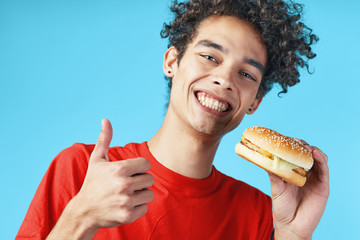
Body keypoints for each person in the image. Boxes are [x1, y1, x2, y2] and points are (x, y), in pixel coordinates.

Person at [17, 0, 330, 239]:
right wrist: (81, 217)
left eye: (246, 74)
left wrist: (292, 235)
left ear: (255, 102)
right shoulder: (80, 170)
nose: (224, 79)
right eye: (210, 56)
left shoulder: (262, 214)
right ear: (172, 61)